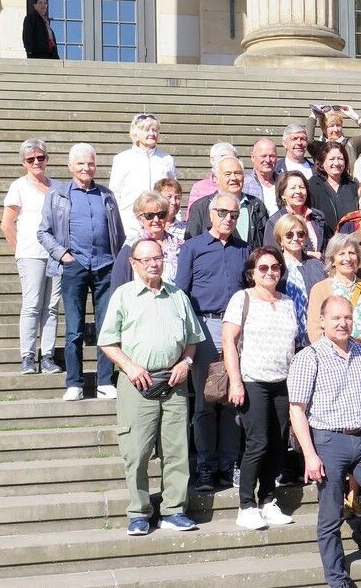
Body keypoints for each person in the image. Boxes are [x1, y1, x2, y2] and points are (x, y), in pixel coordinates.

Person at [287, 295, 361, 588]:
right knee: (331, 515)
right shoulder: (309, 356)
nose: (343, 323)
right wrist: (309, 454)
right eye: (336, 317)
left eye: (348, 317)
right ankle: (338, 581)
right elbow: (297, 410)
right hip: (327, 439)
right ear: (322, 321)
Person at [97, 238, 203, 536]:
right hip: (137, 381)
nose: (154, 264)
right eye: (146, 260)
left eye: (157, 258)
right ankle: (139, 512)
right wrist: (130, 367)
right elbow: (107, 340)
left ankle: (173, 509)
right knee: (138, 451)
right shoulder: (123, 295)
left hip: (174, 381)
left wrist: (186, 363)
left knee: (177, 450)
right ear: (133, 263)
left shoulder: (177, 295)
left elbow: (192, 339)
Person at [175, 191, 250, 491]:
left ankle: (228, 464)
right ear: (210, 214)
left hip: (236, 328)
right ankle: (205, 465)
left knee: (234, 399)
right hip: (203, 327)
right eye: (223, 213)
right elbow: (181, 292)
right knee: (205, 402)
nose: (229, 219)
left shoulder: (244, 249)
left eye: (234, 215)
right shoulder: (192, 248)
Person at [38, 143, 124, 402]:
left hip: (104, 266)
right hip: (74, 266)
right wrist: (63, 255)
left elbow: (117, 232)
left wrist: (118, 260)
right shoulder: (57, 195)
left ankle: (106, 381)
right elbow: (43, 232)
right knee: (74, 328)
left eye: (90, 163)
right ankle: (74, 382)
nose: (86, 168)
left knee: (106, 328)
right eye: (81, 164)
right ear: (70, 166)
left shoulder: (107, 195)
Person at [223, 247, 297, 530]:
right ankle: (246, 505)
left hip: (283, 381)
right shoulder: (242, 299)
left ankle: (268, 500)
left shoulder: (288, 301)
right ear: (252, 272)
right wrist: (236, 380)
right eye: (263, 268)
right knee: (258, 443)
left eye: (275, 267)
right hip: (253, 380)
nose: (270, 272)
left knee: (278, 444)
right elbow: (229, 341)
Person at [2, 139, 62, 376]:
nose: (37, 162)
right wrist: (21, 250)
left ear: (47, 159)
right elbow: (7, 225)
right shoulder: (19, 186)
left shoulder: (58, 186)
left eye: (41, 157)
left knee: (52, 307)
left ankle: (47, 356)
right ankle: (27, 356)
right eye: (31, 159)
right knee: (32, 305)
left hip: (55, 254)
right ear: (24, 162)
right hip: (31, 254)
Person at [109, 113, 177, 238]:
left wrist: (173, 219)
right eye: (147, 130)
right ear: (136, 134)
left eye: (155, 130)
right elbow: (115, 194)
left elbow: (173, 192)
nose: (152, 133)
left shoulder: (167, 159)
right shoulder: (122, 159)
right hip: (130, 227)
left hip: (159, 224)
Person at [306, 233, 361, 346]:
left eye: (352, 253)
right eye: (341, 254)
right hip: (333, 357)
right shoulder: (319, 290)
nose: (348, 258)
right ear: (332, 259)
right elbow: (315, 330)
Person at [186, 156, 270, 249]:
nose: (233, 178)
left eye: (238, 173)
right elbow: (191, 245)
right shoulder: (201, 207)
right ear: (217, 178)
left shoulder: (256, 205)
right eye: (227, 174)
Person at [271, 214, 327, 348]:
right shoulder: (273, 267)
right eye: (289, 235)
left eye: (300, 234)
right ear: (280, 240)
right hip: (283, 339)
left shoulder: (317, 266)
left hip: (315, 339)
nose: (295, 238)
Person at [112, 191, 184, 285]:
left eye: (161, 214)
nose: (156, 220)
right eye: (149, 216)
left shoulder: (179, 246)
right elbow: (118, 284)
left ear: (166, 216)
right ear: (140, 218)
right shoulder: (130, 248)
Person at [263, 171, 332, 255]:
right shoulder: (275, 221)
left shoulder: (317, 217)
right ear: (282, 194)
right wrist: (307, 255)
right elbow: (271, 254)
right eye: (293, 188)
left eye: (301, 187)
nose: (298, 191)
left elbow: (328, 248)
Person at [304, 103, 361, 167]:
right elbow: (307, 140)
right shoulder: (318, 147)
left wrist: (354, 116)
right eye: (331, 126)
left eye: (338, 125)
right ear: (323, 128)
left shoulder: (351, 144)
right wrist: (313, 116)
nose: (335, 129)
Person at [307, 143, 358, 229]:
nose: (337, 163)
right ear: (322, 162)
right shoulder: (312, 186)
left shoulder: (353, 187)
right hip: (323, 239)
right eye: (332, 159)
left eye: (340, 159)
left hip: (348, 239)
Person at [186, 142, 240, 211]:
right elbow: (192, 216)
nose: (228, 162)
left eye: (232, 159)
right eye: (224, 158)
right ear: (212, 160)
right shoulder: (199, 187)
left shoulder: (239, 185)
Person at [242, 137, 278, 211]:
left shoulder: (284, 183)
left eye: (272, 156)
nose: (268, 160)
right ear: (252, 157)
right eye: (263, 156)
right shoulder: (244, 185)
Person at [155, 177, 187, 242]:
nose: (174, 202)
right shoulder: (150, 226)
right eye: (169, 197)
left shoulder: (187, 230)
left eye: (177, 198)